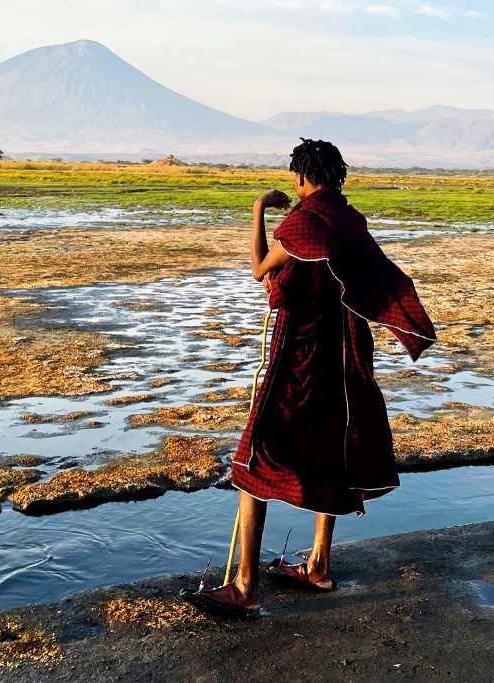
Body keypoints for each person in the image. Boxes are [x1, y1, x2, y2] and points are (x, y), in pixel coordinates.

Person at [184, 139, 435, 618]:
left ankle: (244, 587)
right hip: (343, 354)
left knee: (254, 457)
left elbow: (261, 270)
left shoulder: (300, 222)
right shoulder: (350, 221)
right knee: (333, 444)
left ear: (301, 177)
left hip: (299, 351)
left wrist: (258, 208)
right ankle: (317, 565)